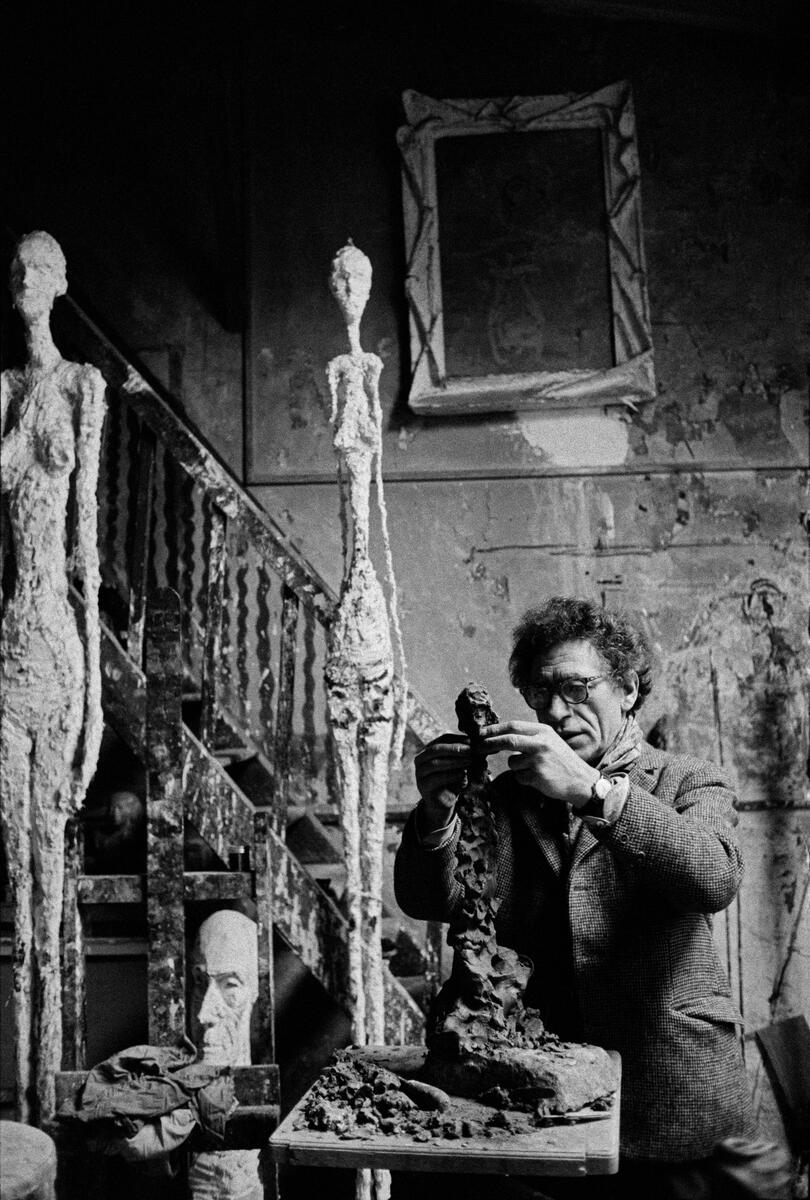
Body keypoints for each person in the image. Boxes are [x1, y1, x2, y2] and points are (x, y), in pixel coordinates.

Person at [394, 597, 785, 1199]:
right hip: (546, 1101)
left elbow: (713, 878)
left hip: (671, 1097)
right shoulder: (507, 798)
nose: (556, 710)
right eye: (540, 692)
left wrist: (593, 792)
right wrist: (435, 813)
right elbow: (428, 899)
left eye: (576, 688)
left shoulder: (689, 779)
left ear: (627, 689)